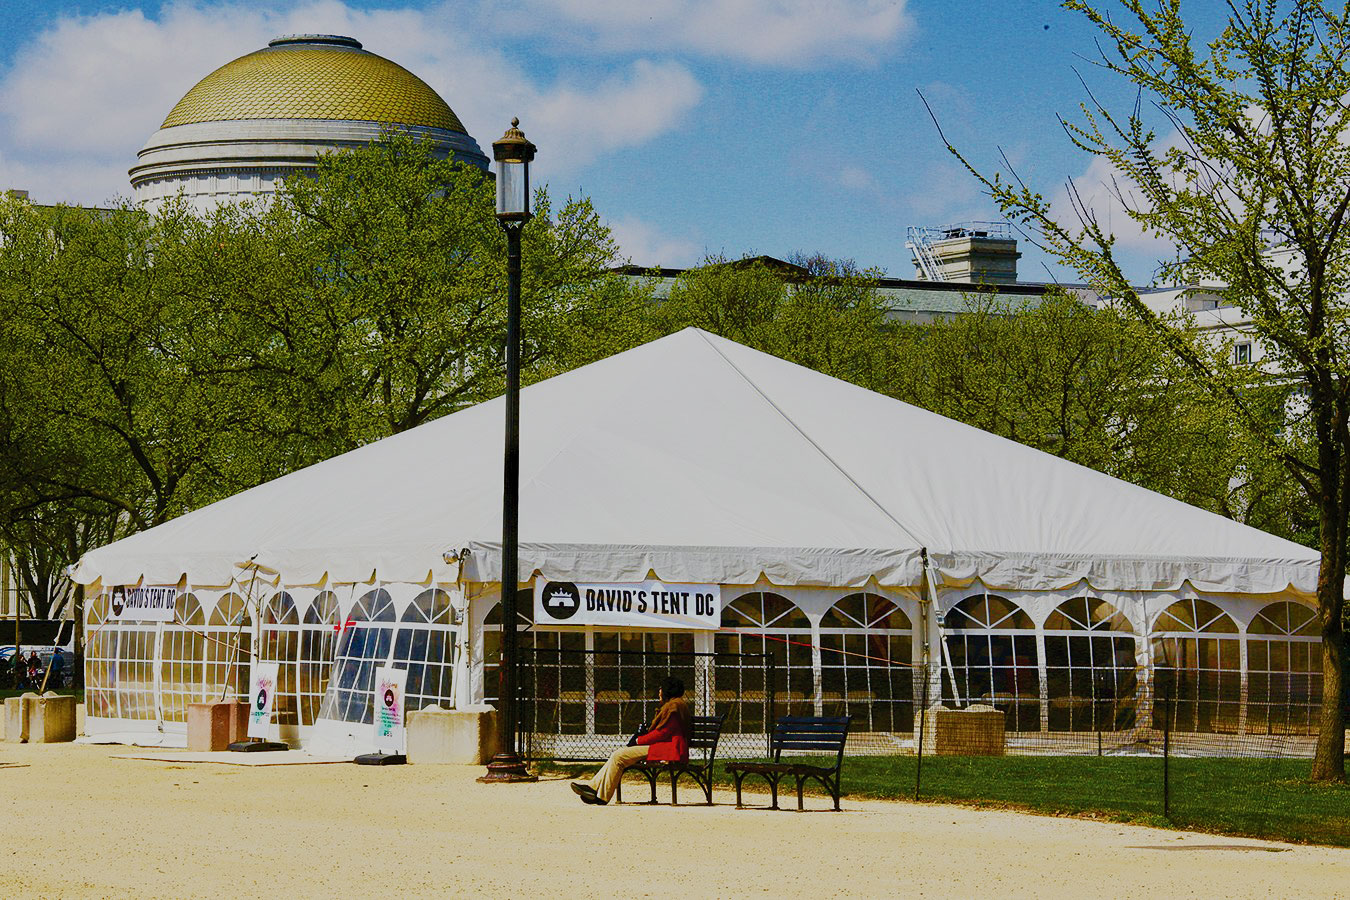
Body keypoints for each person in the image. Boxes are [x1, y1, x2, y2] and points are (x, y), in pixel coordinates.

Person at [572, 676, 692, 806]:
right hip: (666, 748)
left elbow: (662, 733)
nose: (659, 692)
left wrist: (639, 740)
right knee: (619, 755)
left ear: (668, 691)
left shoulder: (673, 706)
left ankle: (599, 794)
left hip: (670, 750)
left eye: (661, 689)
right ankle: (595, 789)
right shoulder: (676, 704)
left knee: (619, 756)